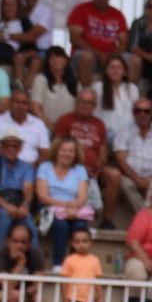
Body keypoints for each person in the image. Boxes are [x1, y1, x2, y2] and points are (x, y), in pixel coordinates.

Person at [52, 88, 120, 221]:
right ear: (76, 103)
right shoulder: (65, 121)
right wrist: (80, 168)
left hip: (93, 170)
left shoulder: (99, 124)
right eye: (82, 101)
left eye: (89, 102)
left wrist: (99, 167)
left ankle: (107, 220)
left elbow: (102, 151)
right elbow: (58, 151)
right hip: (69, 167)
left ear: (94, 106)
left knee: (114, 175)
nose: (85, 105)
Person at [34, 136, 92, 263]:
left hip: (74, 209)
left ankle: (77, 262)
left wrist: (72, 209)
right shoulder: (45, 167)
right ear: (56, 151)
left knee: (80, 226)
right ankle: (58, 264)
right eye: (63, 150)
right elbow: (42, 196)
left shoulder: (80, 170)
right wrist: (65, 207)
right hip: (49, 209)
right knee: (61, 225)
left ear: (75, 154)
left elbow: (82, 197)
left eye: (71, 151)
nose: (67, 154)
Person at [66, 0, 129, 86]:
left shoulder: (117, 14)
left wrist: (111, 56)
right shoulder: (81, 9)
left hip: (110, 55)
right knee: (87, 57)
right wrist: (99, 54)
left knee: (135, 60)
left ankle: (126, 95)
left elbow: (124, 41)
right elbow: (74, 38)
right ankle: (86, 96)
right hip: (86, 53)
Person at [0, 130, 37, 253]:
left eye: (15, 146)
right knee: (3, 217)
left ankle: (33, 260)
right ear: (1, 146)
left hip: (17, 202)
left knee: (28, 220)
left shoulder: (26, 166)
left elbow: (28, 189)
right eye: (7, 145)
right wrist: (5, 206)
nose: (11, 149)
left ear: (20, 148)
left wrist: (25, 206)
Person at [112, 98, 152, 212]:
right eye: (138, 111)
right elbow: (121, 160)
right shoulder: (123, 132)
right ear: (133, 113)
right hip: (130, 176)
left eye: (146, 111)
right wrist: (136, 178)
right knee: (126, 184)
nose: (142, 114)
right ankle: (144, 214)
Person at [0, 88, 51, 165]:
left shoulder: (38, 123)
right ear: (10, 103)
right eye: (16, 102)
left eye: (24, 103)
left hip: (32, 168)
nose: (20, 106)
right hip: (5, 166)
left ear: (29, 106)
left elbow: (45, 153)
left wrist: (29, 169)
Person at [0, 0, 36, 80]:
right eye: (5, 5)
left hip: (11, 58)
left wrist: (4, 36)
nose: (8, 8)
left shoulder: (23, 23)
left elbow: (31, 43)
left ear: (18, 6)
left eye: (12, 4)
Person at [29, 46, 78, 128]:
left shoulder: (75, 82)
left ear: (66, 60)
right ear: (48, 62)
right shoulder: (41, 79)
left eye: (59, 56)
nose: (55, 60)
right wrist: (51, 126)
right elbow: (35, 108)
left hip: (69, 128)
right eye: (51, 58)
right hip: (45, 127)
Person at [19, 0, 56, 80]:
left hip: (42, 50)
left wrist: (7, 36)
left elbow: (31, 37)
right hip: (24, 49)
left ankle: (26, 90)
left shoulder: (46, 12)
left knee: (36, 62)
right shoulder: (20, 10)